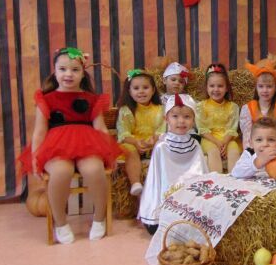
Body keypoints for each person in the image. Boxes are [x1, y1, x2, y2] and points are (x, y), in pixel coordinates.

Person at [19, 48, 122, 244]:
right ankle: (60, 222)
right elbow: (39, 132)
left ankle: (99, 218)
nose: (68, 74)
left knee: (94, 169)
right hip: (55, 146)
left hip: (88, 143)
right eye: (63, 69)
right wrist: (34, 158)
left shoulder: (92, 99)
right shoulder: (46, 99)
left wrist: (110, 153)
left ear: (83, 73)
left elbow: (100, 128)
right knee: (61, 172)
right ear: (55, 71)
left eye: (75, 70)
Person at [138, 94, 208, 234]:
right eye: (175, 116)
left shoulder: (195, 145)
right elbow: (156, 181)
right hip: (166, 194)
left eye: (187, 117)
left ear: (193, 120)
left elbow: (201, 174)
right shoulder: (162, 146)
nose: (181, 121)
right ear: (166, 119)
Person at [117, 69, 165, 197]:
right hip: (133, 142)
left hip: (153, 142)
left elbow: (162, 129)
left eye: (145, 87)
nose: (141, 91)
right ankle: (136, 183)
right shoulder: (126, 110)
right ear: (129, 91)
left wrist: (154, 140)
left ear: (153, 90)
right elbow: (123, 133)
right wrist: (136, 142)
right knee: (129, 149)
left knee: (164, 145)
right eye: (136, 88)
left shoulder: (160, 109)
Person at [196, 63, 241, 173]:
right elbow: (202, 129)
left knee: (234, 151)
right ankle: (216, 178)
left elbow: (232, 128)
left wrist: (225, 143)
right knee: (213, 152)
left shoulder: (233, 107)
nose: (216, 89)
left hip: (228, 139)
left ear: (226, 88)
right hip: (209, 139)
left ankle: (235, 178)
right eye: (212, 86)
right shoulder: (201, 106)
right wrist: (218, 143)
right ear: (206, 88)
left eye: (220, 86)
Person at [239, 61, 276, 150]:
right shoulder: (249, 108)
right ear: (256, 88)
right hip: (255, 149)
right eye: (261, 86)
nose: (265, 90)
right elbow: (247, 134)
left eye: (269, 86)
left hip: (274, 148)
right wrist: (251, 150)